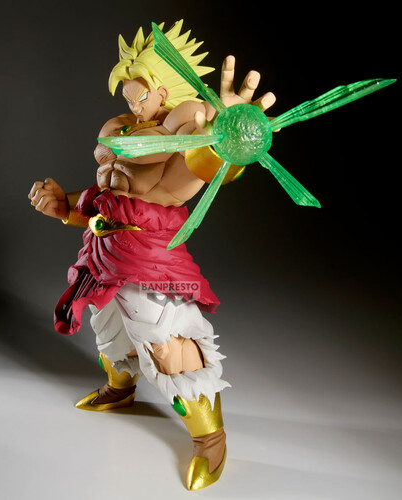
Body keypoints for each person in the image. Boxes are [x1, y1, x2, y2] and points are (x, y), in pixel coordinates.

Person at [28, 20, 275, 491]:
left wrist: (228, 133)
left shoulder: (183, 138)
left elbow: (207, 164)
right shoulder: (128, 127)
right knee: (108, 329)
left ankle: (210, 438)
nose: (131, 102)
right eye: (127, 93)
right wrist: (64, 207)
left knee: (169, 343)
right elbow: (108, 199)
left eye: (138, 92)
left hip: (151, 263)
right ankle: (120, 389)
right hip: (104, 255)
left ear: (164, 88)